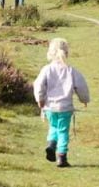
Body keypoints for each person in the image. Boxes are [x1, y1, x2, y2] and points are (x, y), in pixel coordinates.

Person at [34, 37, 91, 168]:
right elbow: (81, 86)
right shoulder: (71, 70)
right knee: (63, 131)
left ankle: (51, 144)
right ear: (66, 52)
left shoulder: (47, 69)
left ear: (50, 52)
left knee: (53, 127)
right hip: (65, 108)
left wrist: (40, 100)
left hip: (50, 108)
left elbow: (39, 85)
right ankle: (61, 157)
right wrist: (84, 99)